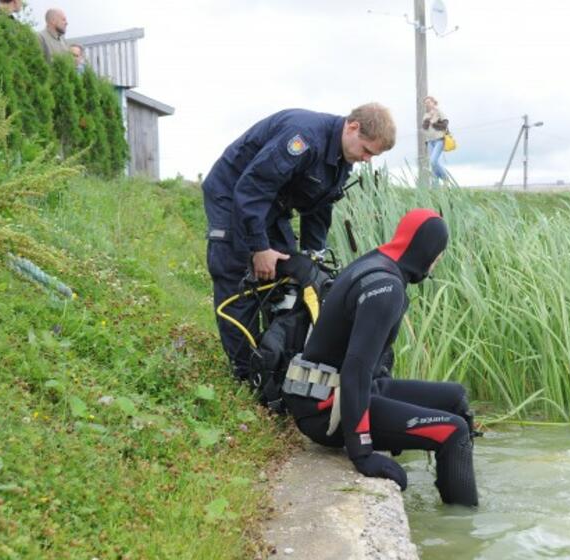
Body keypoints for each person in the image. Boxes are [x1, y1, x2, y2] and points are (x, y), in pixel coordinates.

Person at [282, 209, 479, 506]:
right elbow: (355, 372)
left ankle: (454, 484)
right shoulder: (387, 288)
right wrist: (362, 453)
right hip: (326, 411)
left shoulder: (375, 264)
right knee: (454, 431)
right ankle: (464, 528)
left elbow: (364, 365)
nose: (437, 262)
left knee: (456, 399)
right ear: (427, 251)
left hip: (331, 393)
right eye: (438, 255)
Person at [203, 103, 396, 384]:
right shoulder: (303, 137)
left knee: (288, 274)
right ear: (353, 127)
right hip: (232, 194)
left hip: (270, 204)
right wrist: (259, 247)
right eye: (366, 150)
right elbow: (251, 188)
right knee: (238, 279)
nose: (367, 159)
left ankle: (272, 362)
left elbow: (319, 207)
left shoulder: (343, 158)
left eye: (372, 156)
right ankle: (245, 375)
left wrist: (312, 255)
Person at [422, 96, 450, 185]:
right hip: (430, 141)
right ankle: (435, 189)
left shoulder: (439, 112)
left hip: (439, 140)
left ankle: (445, 177)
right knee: (433, 165)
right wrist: (429, 120)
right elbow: (424, 127)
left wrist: (434, 123)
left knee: (433, 161)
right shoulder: (426, 115)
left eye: (429, 102)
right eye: (426, 103)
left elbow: (445, 125)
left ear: (433, 102)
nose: (427, 104)